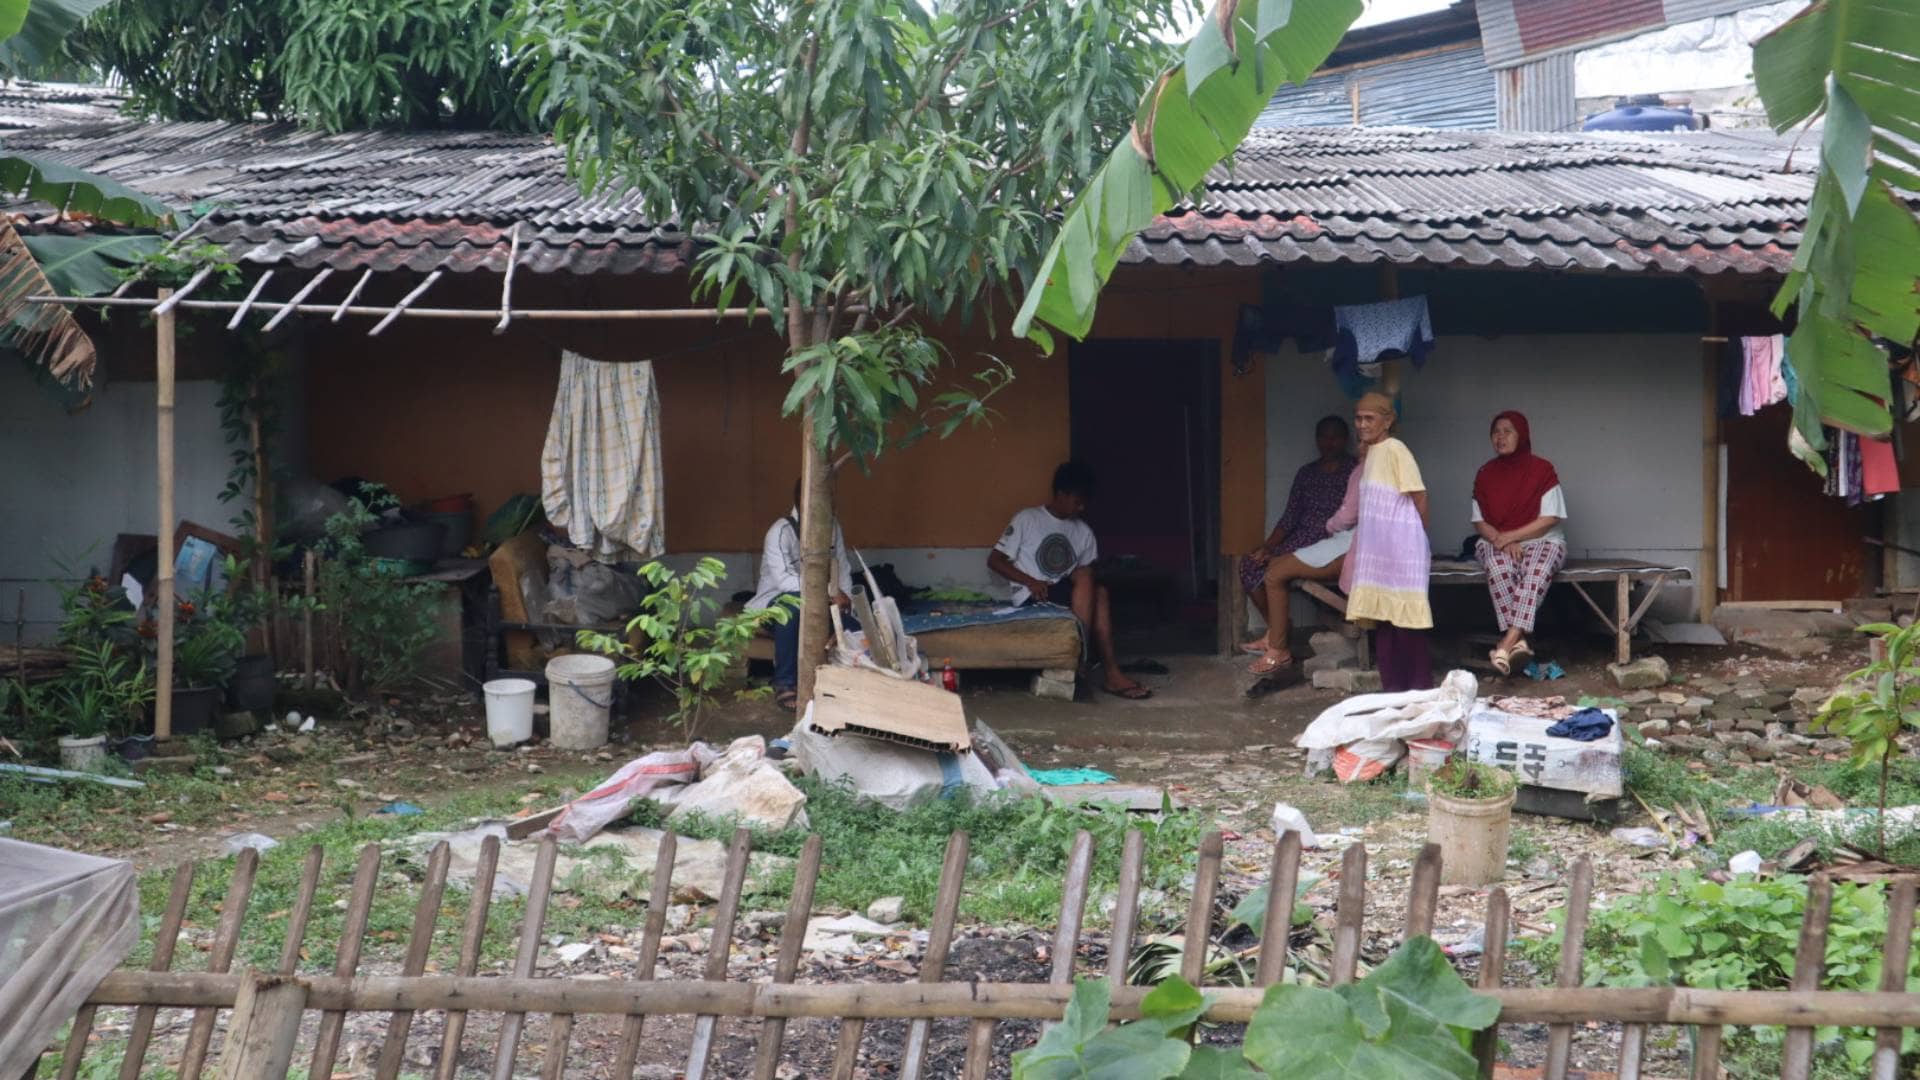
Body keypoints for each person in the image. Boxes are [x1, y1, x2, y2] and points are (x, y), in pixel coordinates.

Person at [988, 461, 1151, 700]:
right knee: (1088, 579)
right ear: (1060, 494)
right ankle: (1096, 666)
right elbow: (995, 560)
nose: (1081, 508)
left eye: (1084, 502)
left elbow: (1089, 577)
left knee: (1098, 589)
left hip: (1069, 597)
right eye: (1077, 501)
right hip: (1034, 596)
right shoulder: (1028, 519)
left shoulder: (1083, 532)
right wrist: (1031, 582)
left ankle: (1094, 664)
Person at [1244, 416, 1358, 672]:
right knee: (1251, 565)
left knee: (1276, 572)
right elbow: (1290, 516)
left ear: (1346, 439)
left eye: (1335, 436)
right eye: (1323, 436)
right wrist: (1268, 547)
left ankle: (1277, 645)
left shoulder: (1355, 470)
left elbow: (1353, 516)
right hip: (1303, 537)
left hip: (1336, 540)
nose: (1329, 442)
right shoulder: (1307, 473)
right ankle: (1276, 631)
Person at [1342, 392, 1433, 692]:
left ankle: (1418, 690)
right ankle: (1392, 692)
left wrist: (1419, 539)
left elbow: (1419, 495)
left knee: (1406, 623)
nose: (1363, 424)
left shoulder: (1396, 448)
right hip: (1378, 549)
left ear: (1388, 420)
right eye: (1359, 418)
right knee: (1383, 621)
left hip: (1401, 546)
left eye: (1370, 418)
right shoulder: (1369, 453)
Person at [1471, 410, 1568, 675]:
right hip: (1496, 540)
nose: (1500, 437)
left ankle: (1506, 642)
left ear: (1522, 434)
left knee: (1534, 575)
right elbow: (1479, 522)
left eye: (1508, 431)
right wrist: (1501, 540)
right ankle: (1520, 643)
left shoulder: (1542, 470)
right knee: (1499, 569)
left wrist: (1513, 536)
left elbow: (1550, 518)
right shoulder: (1485, 473)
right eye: (1496, 432)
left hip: (1542, 540)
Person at [748, 478, 854, 711]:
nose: (831, 503)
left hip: (821, 603)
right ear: (802, 500)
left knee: (854, 626)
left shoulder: (833, 527)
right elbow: (786, 582)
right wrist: (828, 595)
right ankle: (785, 682)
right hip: (775, 605)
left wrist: (845, 599)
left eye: (832, 498)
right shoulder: (780, 531)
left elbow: (842, 567)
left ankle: (848, 684)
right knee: (792, 608)